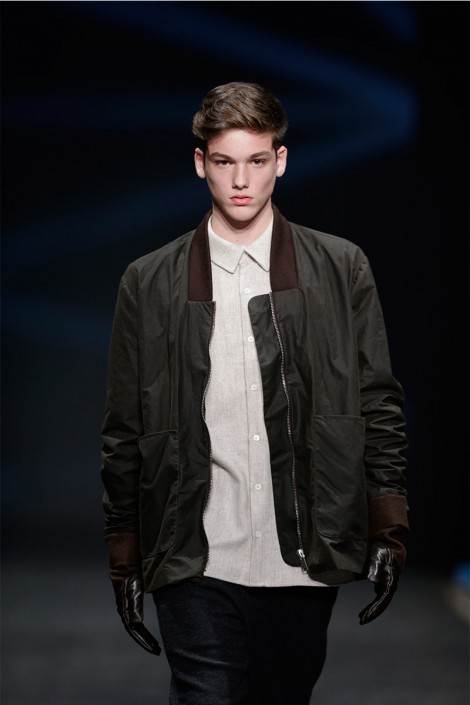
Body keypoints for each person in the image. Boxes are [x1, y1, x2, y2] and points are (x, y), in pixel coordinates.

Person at [100, 81, 410, 705]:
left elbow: (377, 404)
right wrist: (125, 555)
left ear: (281, 159)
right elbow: (125, 430)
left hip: (304, 557)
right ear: (200, 163)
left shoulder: (341, 268)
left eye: (257, 160)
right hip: (194, 556)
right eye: (224, 161)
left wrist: (389, 527)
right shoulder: (149, 281)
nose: (241, 180)